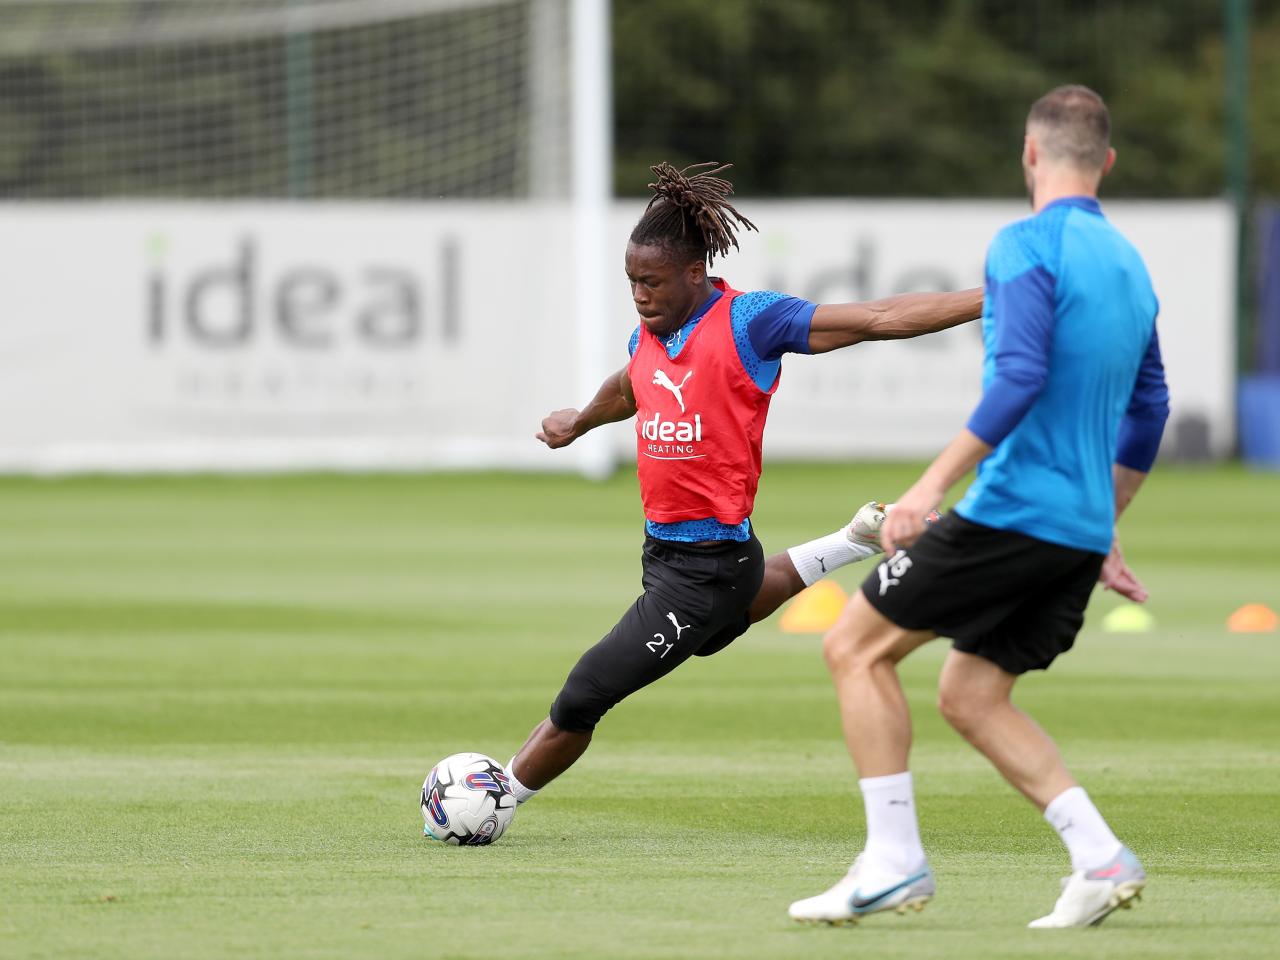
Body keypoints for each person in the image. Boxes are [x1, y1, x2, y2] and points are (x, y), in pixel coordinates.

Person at [787, 85, 1170, 929]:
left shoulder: (1025, 244)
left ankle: (892, 863)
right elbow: (1150, 410)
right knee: (971, 694)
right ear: (1107, 162)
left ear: (1030, 153)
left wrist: (927, 489)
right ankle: (1101, 858)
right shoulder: (1130, 265)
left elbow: (1020, 377)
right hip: (1074, 528)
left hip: (1016, 510)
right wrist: (1106, 522)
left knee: (853, 646)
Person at [502, 161, 981, 808]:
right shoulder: (651, 333)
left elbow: (878, 315)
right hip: (675, 556)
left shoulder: (749, 322)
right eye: (632, 281)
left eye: (651, 281)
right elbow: (630, 384)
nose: (639, 294)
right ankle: (855, 538)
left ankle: (496, 799)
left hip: (705, 568)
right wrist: (582, 420)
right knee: (724, 623)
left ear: (694, 273)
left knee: (585, 694)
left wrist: (992, 298)